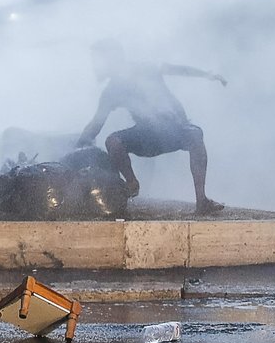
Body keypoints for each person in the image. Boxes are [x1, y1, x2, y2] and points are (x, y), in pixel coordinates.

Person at [76, 39, 227, 214]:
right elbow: (96, 124)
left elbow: (176, 69)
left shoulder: (146, 68)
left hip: (174, 129)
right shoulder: (111, 91)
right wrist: (76, 148)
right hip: (146, 136)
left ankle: (202, 201)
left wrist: (207, 74)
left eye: (99, 60)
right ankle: (132, 183)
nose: (96, 66)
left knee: (195, 134)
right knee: (113, 141)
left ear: (113, 58)